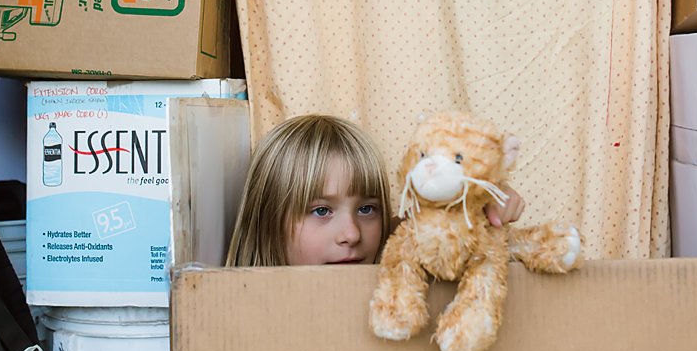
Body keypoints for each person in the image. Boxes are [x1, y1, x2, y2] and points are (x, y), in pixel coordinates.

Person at [225, 114, 525, 267]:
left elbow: (418, 229)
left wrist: (478, 204)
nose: (352, 235)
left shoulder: (399, 268)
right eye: (321, 211)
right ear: (267, 221)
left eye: (366, 209)